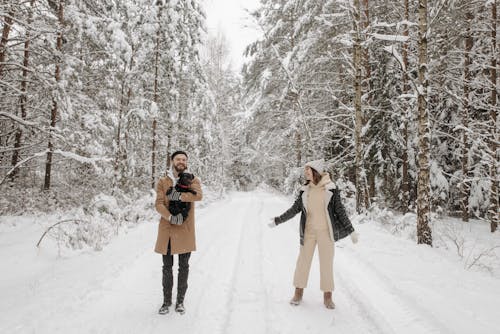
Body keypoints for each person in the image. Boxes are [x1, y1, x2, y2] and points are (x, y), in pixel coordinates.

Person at [269, 158, 358, 309]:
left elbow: (340, 211)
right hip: (308, 232)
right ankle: (298, 292)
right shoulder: (305, 190)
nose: (305, 172)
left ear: (315, 171)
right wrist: (278, 220)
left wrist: (351, 230)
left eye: (308, 170)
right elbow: (294, 209)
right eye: (305, 170)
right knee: (303, 262)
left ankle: (328, 296)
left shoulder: (331, 189)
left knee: (326, 264)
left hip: (326, 233)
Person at [154, 150, 202, 315]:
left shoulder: (193, 179)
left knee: (184, 267)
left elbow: (198, 196)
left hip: (184, 230)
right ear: (172, 161)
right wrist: (170, 217)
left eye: (184, 159)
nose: (181, 161)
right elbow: (159, 204)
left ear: (187, 162)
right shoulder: (163, 181)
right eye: (178, 159)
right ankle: (166, 302)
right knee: (167, 267)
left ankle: (180, 301)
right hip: (167, 229)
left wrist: (178, 196)